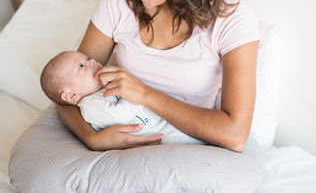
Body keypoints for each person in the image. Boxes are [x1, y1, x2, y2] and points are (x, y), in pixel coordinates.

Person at [56, 0, 259, 152]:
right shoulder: (118, 3)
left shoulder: (230, 18)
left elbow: (235, 134)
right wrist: (92, 139)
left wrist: (144, 94)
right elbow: (66, 92)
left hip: (185, 146)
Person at [40, 51, 205, 145]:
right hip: (163, 136)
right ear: (70, 95)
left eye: (88, 58)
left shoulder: (101, 90)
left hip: (167, 123)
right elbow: (120, 115)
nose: (92, 62)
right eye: (81, 66)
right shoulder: (90, 106)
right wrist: (134, 91)